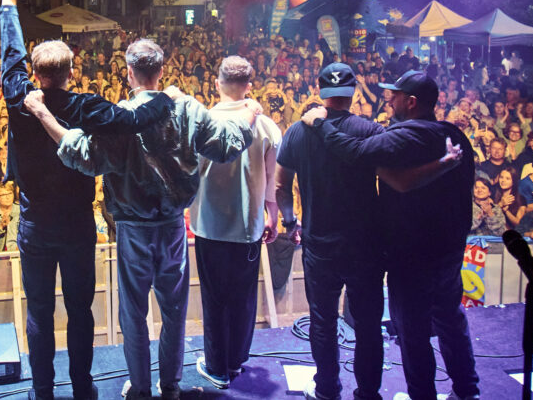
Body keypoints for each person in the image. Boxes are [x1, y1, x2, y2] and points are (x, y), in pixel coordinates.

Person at [24, 39, 257, 400]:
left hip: (133, 229)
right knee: (174, 311)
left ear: (129, 72)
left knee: (133, 313)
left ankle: (141, 389)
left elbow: (82, 155)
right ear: (162, 71)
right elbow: (226, 146)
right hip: (173, 227)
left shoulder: (121, 117)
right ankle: (171, 387)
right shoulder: (187, 108)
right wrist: (250, 114)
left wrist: (44, 115)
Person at [0, 0, 173, 400]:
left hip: (34, 224)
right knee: (80, 310)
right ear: (71, 71)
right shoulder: (85, 107)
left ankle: (42, 390)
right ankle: (82, 388)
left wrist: (8, 2)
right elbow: (134, 120)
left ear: (36, 73)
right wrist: (166, 99)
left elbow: (10, 55)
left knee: (39, 311)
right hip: (77, 225)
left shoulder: (20, 98)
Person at [302, 69, 479, 400]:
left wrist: (320, 124)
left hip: (412, 256)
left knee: (413, 332)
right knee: (450, 320)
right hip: (450, 252)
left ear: (411, 102)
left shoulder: (405, 137)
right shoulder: (454, 135)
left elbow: (355, 153)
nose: (388, 100)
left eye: (394, 96)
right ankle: (468, 391)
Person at [275, 63, 389, 400]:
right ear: (353, 92)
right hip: (365, 245)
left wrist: (290, 222)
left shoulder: (298, 132)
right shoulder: (370, 130)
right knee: (368, 324)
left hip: (320, 244)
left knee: (322, 320)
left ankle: (327, 388)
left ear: (320, 91)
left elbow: (281, 186)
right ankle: (368, 393)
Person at [188, 56, 282, 390]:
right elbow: (273, 181)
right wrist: (273, 216)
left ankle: (217, 367)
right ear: (249, 86)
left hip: (209, 226)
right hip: (248, 227)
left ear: (217, 83)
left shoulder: (200, 122)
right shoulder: (266, 126)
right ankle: (235, 360)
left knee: (215, 298)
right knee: (243, 297)